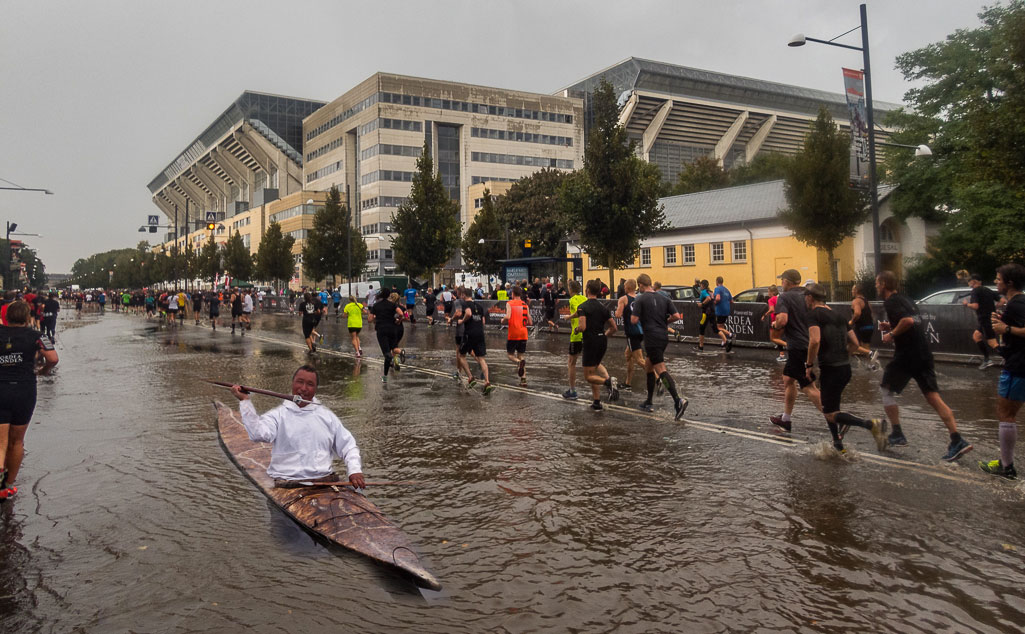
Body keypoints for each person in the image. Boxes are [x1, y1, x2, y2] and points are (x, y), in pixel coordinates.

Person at [876, 270, 972, 461]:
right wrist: (891, 325)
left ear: (884, 284)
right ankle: (956, 438)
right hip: (923, 354)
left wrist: (892, 334)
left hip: (907, 355)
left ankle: (897, 433)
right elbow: (914, 320)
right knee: (933, 397)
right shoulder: (907, 299)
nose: (876, 286)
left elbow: (908, 321)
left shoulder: (892, 302)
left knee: (886, 389)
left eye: (877, 283)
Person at [230, 365, 365, 488]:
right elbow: (257, 434)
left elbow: (348, 446)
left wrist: (355, 470)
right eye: (300, 382)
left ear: (316, 389)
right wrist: (245, 401)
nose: (304, 388)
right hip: (287, 483)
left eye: (310, 384)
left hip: (325, 482)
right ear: (292, 383)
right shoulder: (278, 416)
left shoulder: (328, 417)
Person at [804, 284, 888, 454]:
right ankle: (837, 444)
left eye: (805, 297)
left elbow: (815, 341)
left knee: (829, 413)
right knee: (830, 407)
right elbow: (855, 344)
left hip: (831, 369)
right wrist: (844, 355)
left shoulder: (814, 315)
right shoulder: (839, 315)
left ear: (810, 298)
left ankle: (871, 424)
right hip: (844, 369)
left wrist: (809, 365)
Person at [0, 301, 59, 502]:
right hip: (24, 389)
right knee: (16, 441)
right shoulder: (36, 336)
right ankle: (7, 485)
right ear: (27, 317)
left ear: (6, 317)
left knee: (0, 441)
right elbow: (53, 357)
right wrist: (43, 371)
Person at [980, 263, 1025, 479]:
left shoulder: (1018, 304)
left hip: (1018, 367)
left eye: (998, 279)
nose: (996, 282)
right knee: (1008, 413)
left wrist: (1005, 328)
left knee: (1006, 413)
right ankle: (1006, 463)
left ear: (1010, 283)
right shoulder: (1016, 303)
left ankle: (1007, 467)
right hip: (1016, 361)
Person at [770, 269, 823, 432]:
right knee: (788, 379)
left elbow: (782, 319)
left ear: (787, 281)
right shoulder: (808, 295)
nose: (781, 284)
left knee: (808, 387)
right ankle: (786, 419)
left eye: (782, 281)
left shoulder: (784, 297)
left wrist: (776, 325)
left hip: (798, 346)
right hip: (811, 344)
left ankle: (835, 416)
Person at [631, 274, 687, 419]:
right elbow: (676, 316)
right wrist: (664, 322)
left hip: (651, 337)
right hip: (663, 336)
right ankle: (649, 401)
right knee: (649, 366)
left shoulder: (640, 298)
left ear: (641, 285)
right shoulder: (664, 298)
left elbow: (634, 319)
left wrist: (642, 317)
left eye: (639, 287)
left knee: (660, 369)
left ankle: (678, 400)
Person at [575, 279, 620, 410]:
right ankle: (596, 401)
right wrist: (604, 335)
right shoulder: (603, 308)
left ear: (587, 290)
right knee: (593, 371)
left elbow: (582, 327)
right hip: (602, 341)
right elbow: (614, 328)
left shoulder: (583, 306)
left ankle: (608, 382)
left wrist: (576, 329)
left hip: (590, 341)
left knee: (588, 376)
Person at [455, 286, 493, 393]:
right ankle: (487, 381)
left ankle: (470, 377)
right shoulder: (479, 306)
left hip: (469, 333)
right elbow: (483, 321)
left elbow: (468, 313)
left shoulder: (465, 304)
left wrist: (462, 321)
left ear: (463, 295)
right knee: (481, 358)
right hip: (480, 333)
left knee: (461, 355)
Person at [964, 273, 1002, 370]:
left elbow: (976, 306)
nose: (968, 283)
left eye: (969, 281)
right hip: (988, 318)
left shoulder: (975, 291)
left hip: (985, 319)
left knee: (992, 343)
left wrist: (967, 304)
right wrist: (994, 308)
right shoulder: (988, 290)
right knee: (976, 336)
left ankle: (1011, 360)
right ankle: (987, 359)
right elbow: (1002, 300)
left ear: (974, 281)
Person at [369, 289, 404, 382]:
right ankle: (400, 353)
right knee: (393, 348)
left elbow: (369, 319)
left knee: (387, 354)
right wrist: (398, 321)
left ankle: (385, 376)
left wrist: (375, 320)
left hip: (381, 330)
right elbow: (401, 313)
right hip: (392, 329)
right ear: (388, 295)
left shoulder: (376, 305)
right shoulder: (392, 305)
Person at [616, 278, 644, 390]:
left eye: (624, 286)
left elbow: (618, 315)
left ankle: (658, 378)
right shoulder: (640, 298)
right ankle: (627, 383)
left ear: (627, 288)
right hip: (641, 331)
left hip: (632, 332)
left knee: (639, 359)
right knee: (628, 355)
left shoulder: (623, 299)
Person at [503, 286, 532, 386]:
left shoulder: (509, 304)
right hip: (523, 333)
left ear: (512, 294)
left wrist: (502, 320)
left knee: (510, 355)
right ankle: (523, 380)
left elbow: (507, 316)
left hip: (514, 334)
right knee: (521, 356)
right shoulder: (525, 305)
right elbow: (530, 321)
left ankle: (518, 362)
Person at [563, 280, 586, 400]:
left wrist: (569, 317)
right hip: (586, 333)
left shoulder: (573, 299)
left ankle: (572, 391)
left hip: (576, 334)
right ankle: (607, 379)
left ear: (571, 289)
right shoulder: (584, 298)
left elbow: (579, 312)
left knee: (571, 363)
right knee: (592, 362)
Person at [849, 283, 876, 365]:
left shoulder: (856, 301)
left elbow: (857, 313)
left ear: (856, 290)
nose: (851, 291)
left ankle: (846, 365)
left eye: (853, 289)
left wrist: (851, 322)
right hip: (870, 326)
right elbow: (871, 313)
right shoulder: (866, 301)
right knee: (865, 347)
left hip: (861, 327)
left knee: (850, 345)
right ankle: (872, 366)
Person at [764, 284, 787, 362]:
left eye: (768, 292)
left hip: (775, 321)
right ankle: (782, 355)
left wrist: (765, 315)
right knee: (779, 338)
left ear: (772, 292)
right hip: (783, 319)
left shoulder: (771, 299)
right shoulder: (780, 298)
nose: (768, 293)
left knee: (773, 338)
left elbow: (771, 310)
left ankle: (790, 347)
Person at [713, 276, 736, 352]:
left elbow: (718, 298)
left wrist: (714, 302)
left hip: (720, 310)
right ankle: (723, 342)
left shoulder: (717, 289)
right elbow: (731, 301)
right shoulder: (726, 289)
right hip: (727, 310)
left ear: (717, 282)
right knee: (721, 326)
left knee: (718, 328)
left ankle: (730, 334)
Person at [696, 280, 715, 352]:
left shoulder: (703, 292)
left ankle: (700, 346)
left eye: (700, 285)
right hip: (712, 312)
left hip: (706, 313)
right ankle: (725, 341)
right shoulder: (710, 291)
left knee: (701, 328)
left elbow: (708, 298)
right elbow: (712, 299)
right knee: (716, 329)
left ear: (703, 285)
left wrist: (702, 304)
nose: (700, 287)